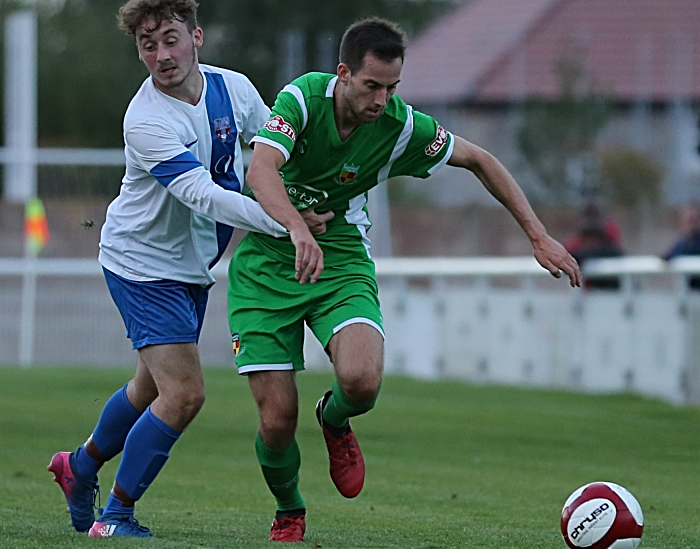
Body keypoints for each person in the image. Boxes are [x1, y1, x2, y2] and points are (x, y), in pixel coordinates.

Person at [227, 18, 581, 542]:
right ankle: (290, 509)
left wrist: (538, 235)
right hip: (264, 267)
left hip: (341, 259)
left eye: (392, 87)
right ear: (343, 73)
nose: (382, 100)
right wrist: (298, 228)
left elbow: (479, 159)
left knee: (363, 383)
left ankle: (336, 419)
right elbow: (261, 172)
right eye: (372, 86)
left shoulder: (399, 125)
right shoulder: (303, 99)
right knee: (277, 419)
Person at [47, 0, 320, 538]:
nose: (161, 54)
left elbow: (276, 153)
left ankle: (78, 466)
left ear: (196, 36)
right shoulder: (146, 119)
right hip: (142, 265)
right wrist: (286, 222)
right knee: (185, 393)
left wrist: (314, 192)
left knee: (148, 388)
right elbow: (204, 196)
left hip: (190, 267)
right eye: (148, 45)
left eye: (170, 39)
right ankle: (116, 517)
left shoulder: (233, 89)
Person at [570, 221, 624, 290]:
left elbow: (580, 256)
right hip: (598, 293)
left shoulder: (610, 251)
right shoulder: (588, 253)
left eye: (590, 239)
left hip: (616, 292)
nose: (587, 244)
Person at [663, 203, 700, 289]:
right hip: (688, 290)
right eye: (689, 220)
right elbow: (671, 255)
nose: (691, 224)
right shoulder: (682, 242)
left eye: (693, 220)